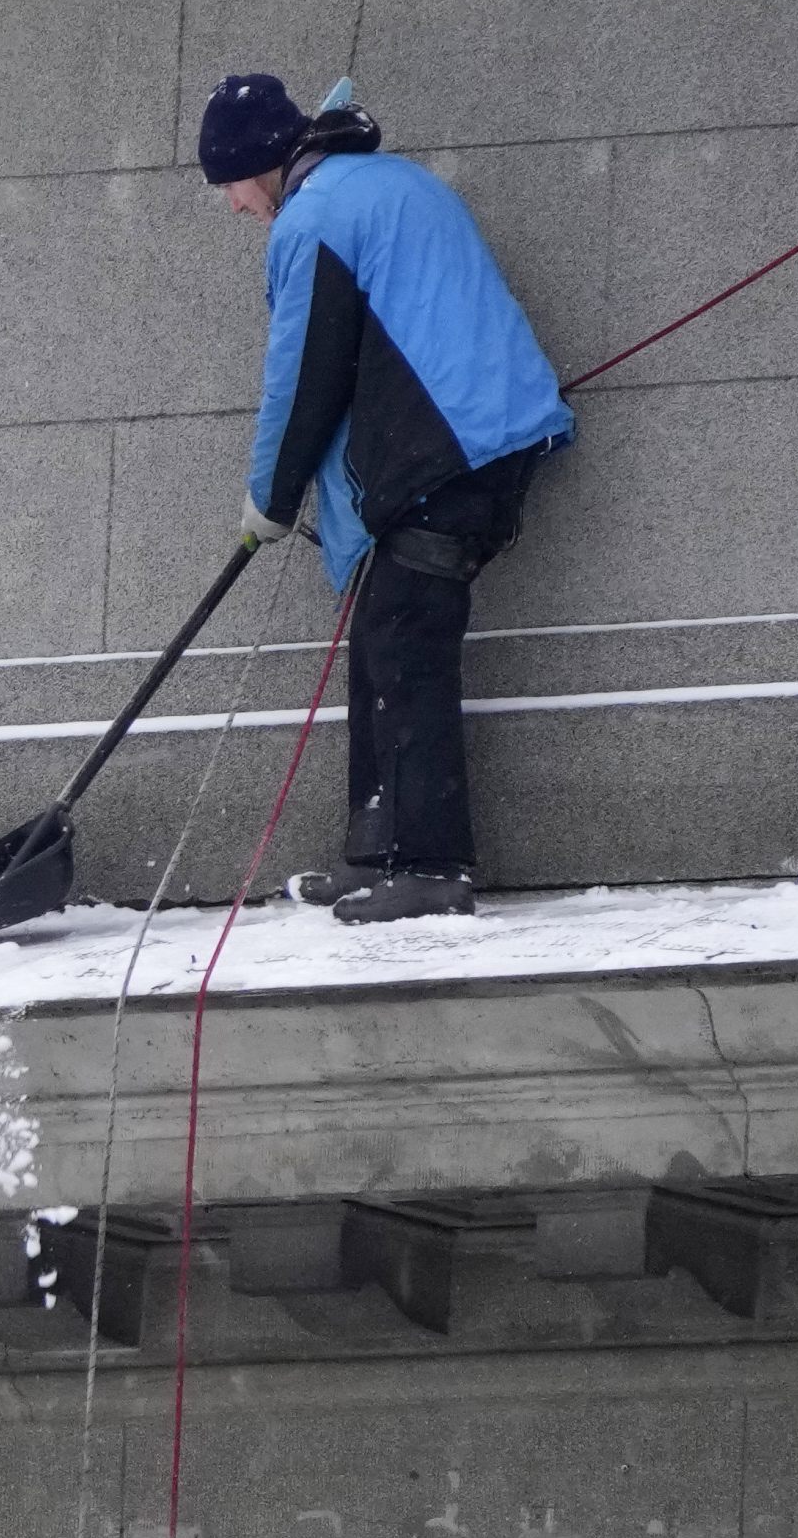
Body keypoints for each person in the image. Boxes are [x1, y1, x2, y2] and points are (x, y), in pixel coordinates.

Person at [199, 72, 573, 923]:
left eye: (226, 183)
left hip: (451, 450)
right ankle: (382, 851)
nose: (230, 204)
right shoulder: (381, 184)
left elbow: (303, 377)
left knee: (404, 640)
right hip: (466, 440)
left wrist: (269, 497)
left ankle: (432, 866)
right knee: (380, 635)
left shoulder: (318, 217)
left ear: (260, 163)